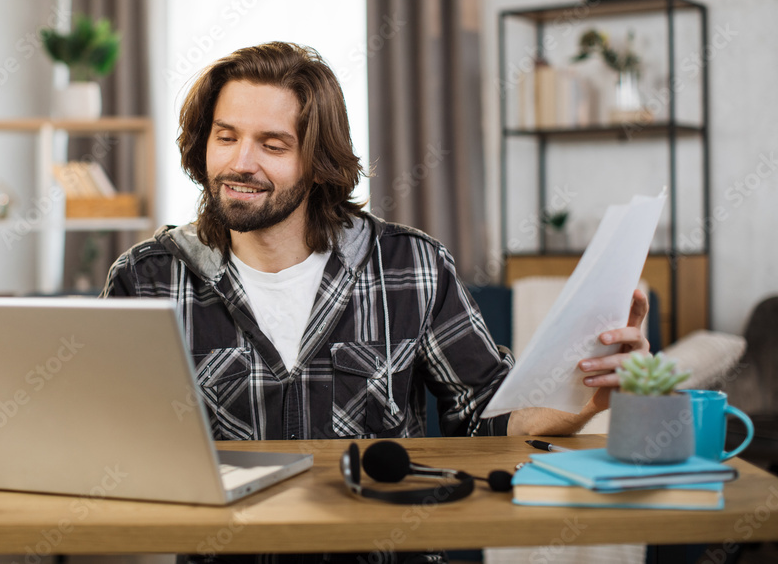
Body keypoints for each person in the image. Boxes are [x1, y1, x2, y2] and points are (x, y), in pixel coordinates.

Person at [101, 40, 650, 443]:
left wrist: (584, 400)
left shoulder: (412, 266)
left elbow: (487, 418)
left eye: (272, 144)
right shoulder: (147, 277)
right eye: (226, 138)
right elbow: (107, 434)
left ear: (318, 163)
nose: (241, 163)